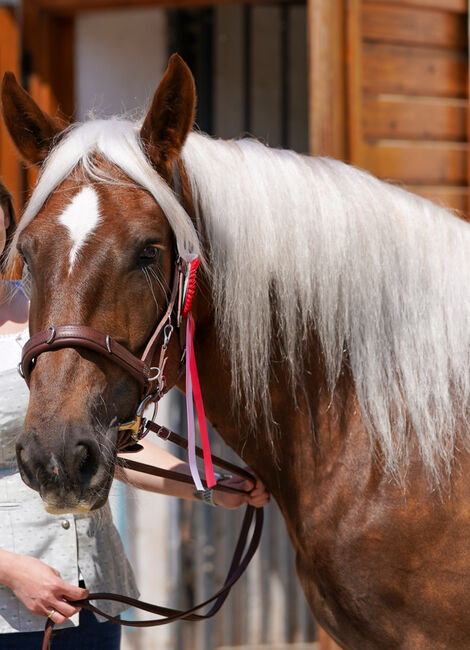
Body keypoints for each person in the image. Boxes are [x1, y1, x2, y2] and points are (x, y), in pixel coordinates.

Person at [0, 178, 269, 649]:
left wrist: (206, 486)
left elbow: (116, 448)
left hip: (94, 595)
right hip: (11, 609)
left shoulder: (52, 314)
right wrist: (13, 571)